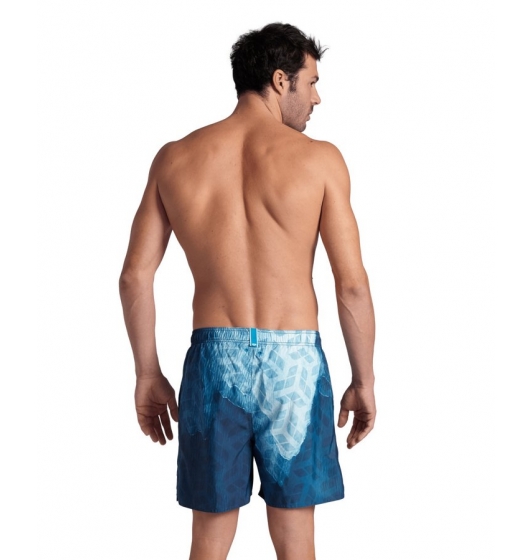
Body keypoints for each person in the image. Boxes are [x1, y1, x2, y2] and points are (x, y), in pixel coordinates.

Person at [119, 22, 376, 560]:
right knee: (296, 544)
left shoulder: (175, 158)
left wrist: (146, 373)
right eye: (312, 82)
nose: (317, 97)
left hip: (216, 362)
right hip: (295, 367)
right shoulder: (320, 160)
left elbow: (134, 277)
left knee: (209, 543)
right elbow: (351, 285)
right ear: (280, 81)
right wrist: (364, 380)